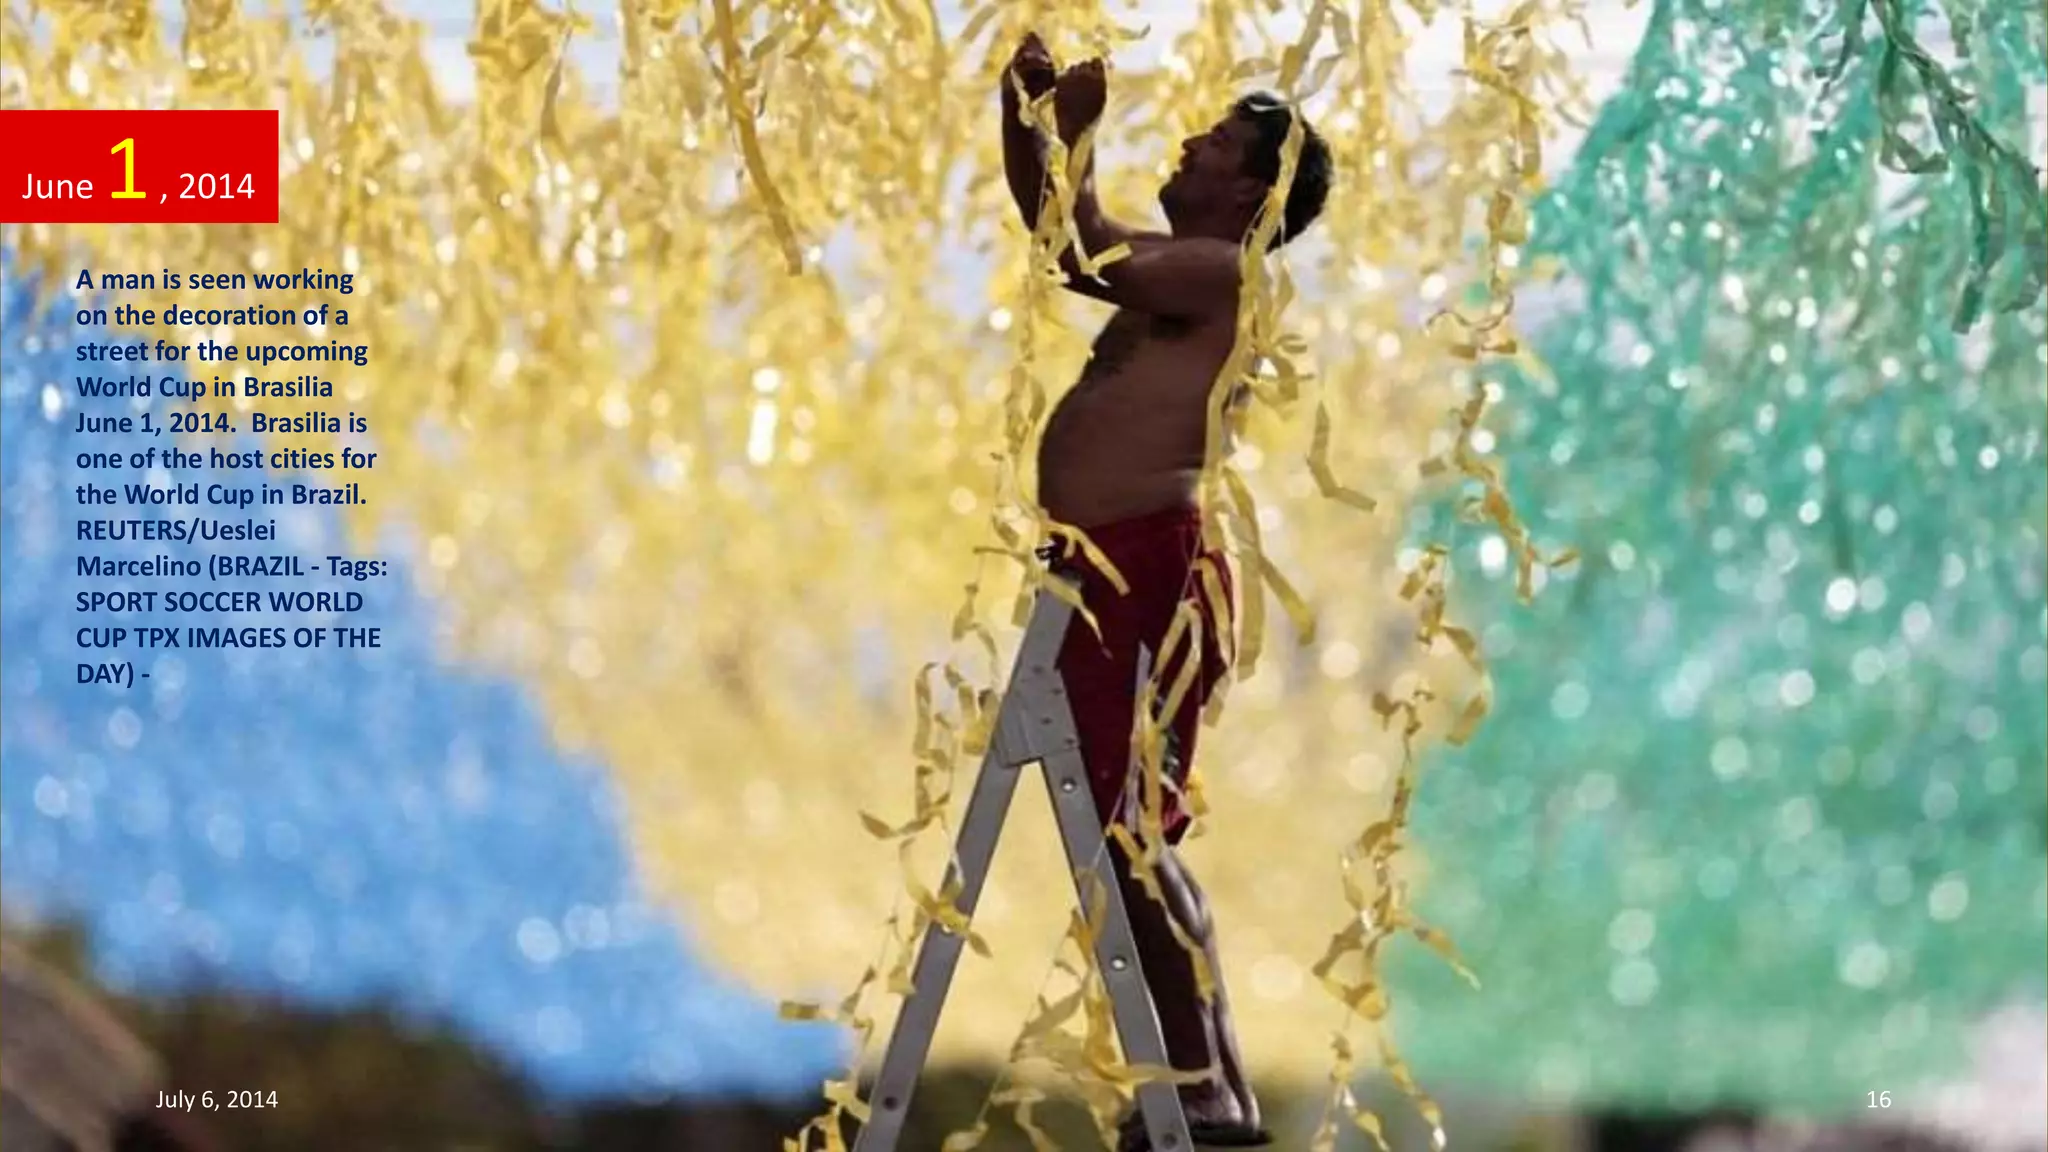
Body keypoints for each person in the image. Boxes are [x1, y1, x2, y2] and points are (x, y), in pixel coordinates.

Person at [999, 31, 1333, 1152]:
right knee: (1130, 831)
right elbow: (1069, 237)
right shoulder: (1187, 270)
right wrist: (1030, 123)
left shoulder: (1220, 270)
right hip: (1113, 562)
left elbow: (1081, 254)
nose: (1188, 146)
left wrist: (1066, 134)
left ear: (1252, 189)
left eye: (1214, 143)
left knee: (1123, 830)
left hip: (1143, 561)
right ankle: (1215, 1088)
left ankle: (1197, 1081)